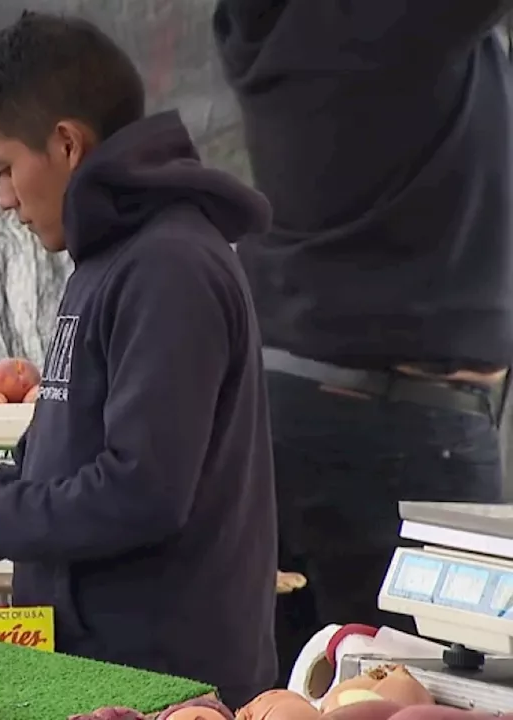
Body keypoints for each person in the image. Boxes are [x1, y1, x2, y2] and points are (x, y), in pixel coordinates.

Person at [0, 10, 276, 707]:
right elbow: (49, 472)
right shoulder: (107, 260)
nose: (4, 199)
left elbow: (141, 493)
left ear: (68, 144)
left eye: (5, 168)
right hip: (96, 668)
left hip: (161, 684)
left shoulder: (169, 267)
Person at [214, 2, 513, 685]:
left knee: (286, 689)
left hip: (280, 404)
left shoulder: (267, 27)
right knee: (425, 688)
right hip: (398, 427)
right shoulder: (387, 24)